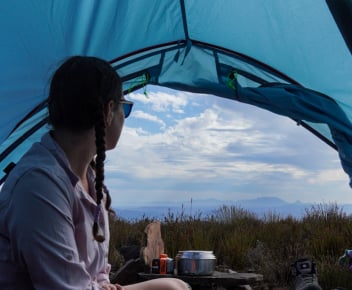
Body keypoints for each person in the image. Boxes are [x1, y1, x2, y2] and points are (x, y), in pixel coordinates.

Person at [0, 56, 190, 290]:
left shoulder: (87, 180)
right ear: (108, 111)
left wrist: (102, 283)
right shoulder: (39, 185)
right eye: (125, 108)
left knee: (175, 286)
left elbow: (95, 271)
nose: (123, 117)